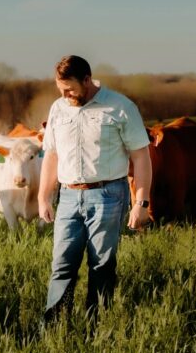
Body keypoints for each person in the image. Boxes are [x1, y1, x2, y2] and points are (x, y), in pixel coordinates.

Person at [38, 55, 153, 322]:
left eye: (70, 89)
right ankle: (54, 327)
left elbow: (141, 156)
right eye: (60, 90)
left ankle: (96, 326)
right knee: (61, 265)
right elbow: (52, 156)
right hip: (67, 196)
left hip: (108, 195)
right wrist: (44, 196)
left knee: (101, 265)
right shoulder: (58, 109)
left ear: (87, 80)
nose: (65, 95)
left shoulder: (120, 107)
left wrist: (141, 202)